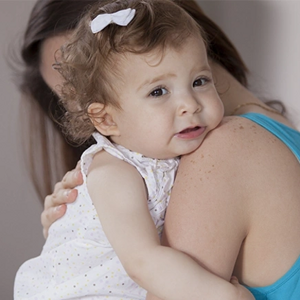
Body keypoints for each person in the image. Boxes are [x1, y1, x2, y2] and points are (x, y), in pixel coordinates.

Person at [17, 0, 300, 299]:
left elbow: (147, 265)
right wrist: (79, 234)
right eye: (73, 99)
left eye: (199, 81)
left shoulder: (222, 151)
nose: (86, 113)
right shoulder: (273, 133)